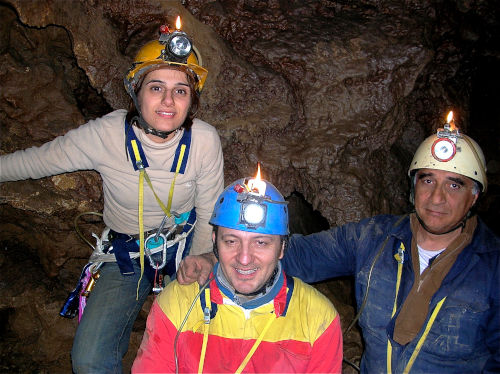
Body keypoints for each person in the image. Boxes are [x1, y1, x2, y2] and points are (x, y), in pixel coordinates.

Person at [177, 122, 500, 373]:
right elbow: (298, 255)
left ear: (474, 195)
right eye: (428, 180)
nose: (437, 197)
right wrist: (214, 257)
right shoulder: (374, 238)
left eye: (454, 184)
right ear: (413, 186)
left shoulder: (493, 268)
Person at [0, 19, 224, 374]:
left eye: (181, 90)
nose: (168, 101)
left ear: (192, 99)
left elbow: (210, 208)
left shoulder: (205, 141)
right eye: (156, 87)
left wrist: (202, 259)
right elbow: (36, 160)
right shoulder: (105, 135)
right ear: (136, 91)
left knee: (193, 351)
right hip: (126, 255)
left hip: (183, 249)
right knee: (88, 359)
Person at [132, 176, 343, 373]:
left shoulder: (317, 318)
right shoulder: (178, 302)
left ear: (281, 248)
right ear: (214, 242)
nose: (244, 258)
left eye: (260, 243)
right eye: (231, 241)